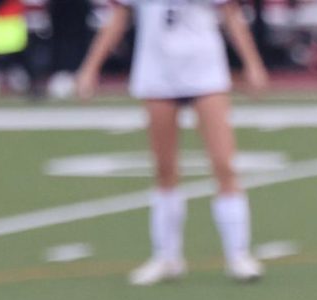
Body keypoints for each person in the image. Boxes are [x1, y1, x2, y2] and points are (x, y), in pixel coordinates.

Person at [74, 0, 267, 285]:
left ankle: (238, 254)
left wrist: (252, 64)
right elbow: (118, 16)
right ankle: (167, 256)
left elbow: (231, 15)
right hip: (158, 73)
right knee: (164, 168)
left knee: (224, 163)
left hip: (205, 73)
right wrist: (90, 68)